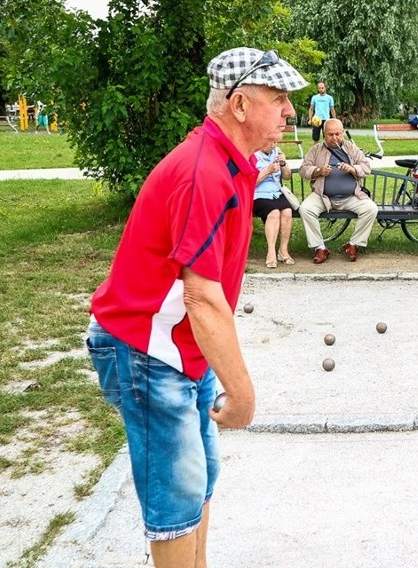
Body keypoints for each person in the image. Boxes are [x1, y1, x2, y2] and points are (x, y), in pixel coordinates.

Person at [85, 47, 306, 568]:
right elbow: (201, 296)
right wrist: (244, 394)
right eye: (278, 99)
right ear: (240, 105)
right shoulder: (203, 170)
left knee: (200, 478)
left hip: (182, 347)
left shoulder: (232, 163)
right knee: (177, 500)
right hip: (147, 350)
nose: (289, 111)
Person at [299, 118, 376, 263]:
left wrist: (353, 169)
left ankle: (353, 244)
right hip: (323, 196)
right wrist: (318, 171)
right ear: (323, 134)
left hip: (351, 197)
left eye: (337, 134)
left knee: (371, 209)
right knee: (305, 209)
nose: (334, 138)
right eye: (330, 134)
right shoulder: (316, 150)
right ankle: (320, 247)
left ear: (343, 133)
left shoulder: (352, 148)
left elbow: (366, 167)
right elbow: (303, 170)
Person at [252, 146, 294, 269]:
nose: (273, 145)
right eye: (270, 142)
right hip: (258, 194)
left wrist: (284, 164)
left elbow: (287, 176)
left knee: (287, 211)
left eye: (275, 142)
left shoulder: (277, 151)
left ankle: (283, 250)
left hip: (276, 192)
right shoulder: (253, 155)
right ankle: (271, 252)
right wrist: (268, 171)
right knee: (274, 212)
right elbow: (251, 182)